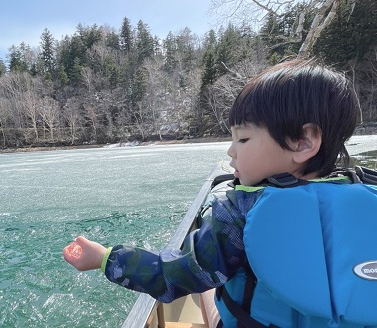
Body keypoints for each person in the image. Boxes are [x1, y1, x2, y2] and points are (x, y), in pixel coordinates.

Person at [63, 58, 365, 327]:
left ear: (303, 141)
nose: (231, 151)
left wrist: (106, 258)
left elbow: (175, 274)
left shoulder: (243, 212)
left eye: (243, 139)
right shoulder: (363, 194)